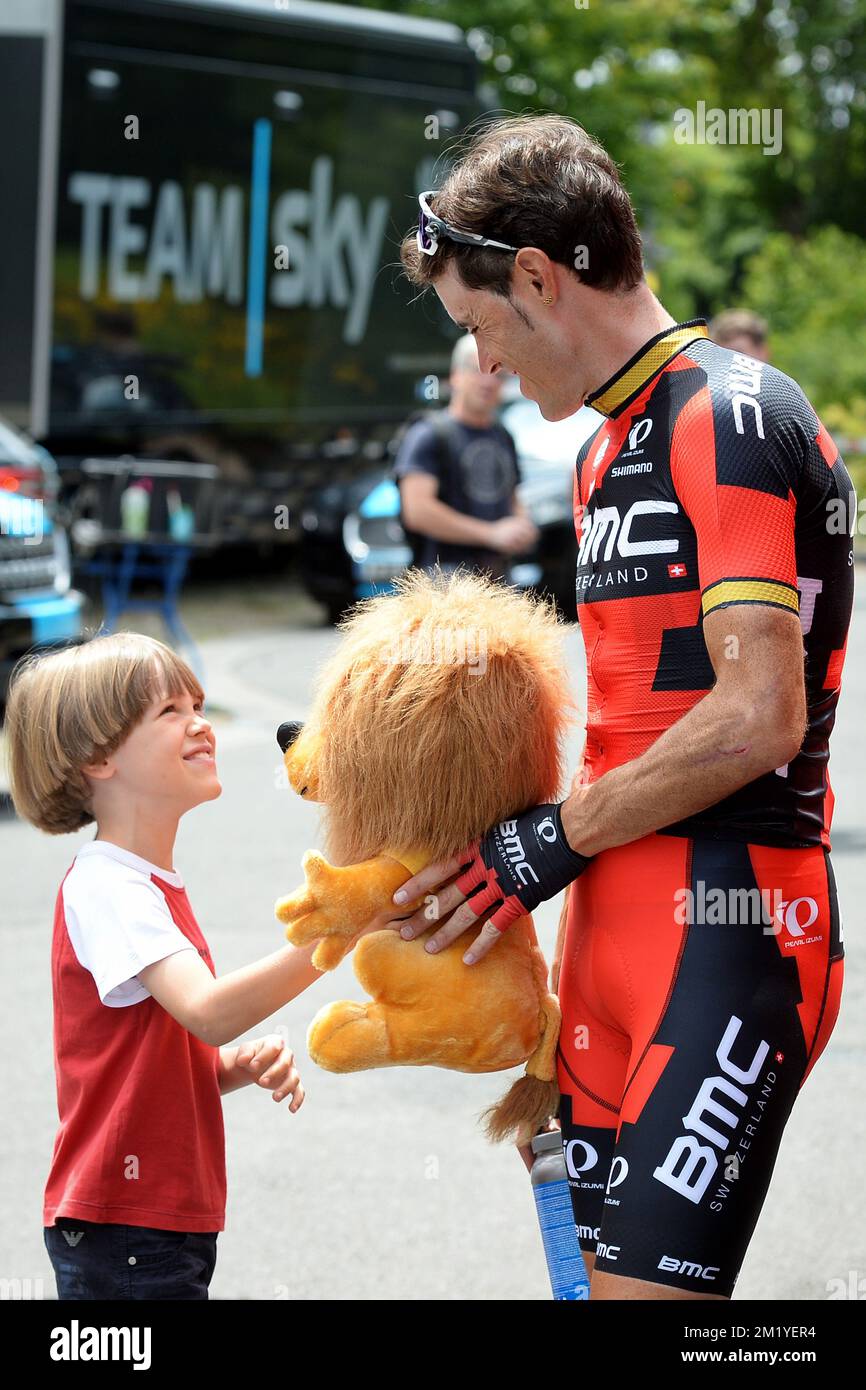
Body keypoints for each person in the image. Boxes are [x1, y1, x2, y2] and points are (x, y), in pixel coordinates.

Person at [385, 114, 854, 1301]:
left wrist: (547, 842)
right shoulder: (603, 451)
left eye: (480, 324)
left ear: (538, 277)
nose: (482, 363)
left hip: (729, 930)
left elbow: (758, 716)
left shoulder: (729, 414)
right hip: (606, 927)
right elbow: (628, 712)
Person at [4, 631, 331, 1300]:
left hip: (147, 1225)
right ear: (97, 757)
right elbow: (208, 1012)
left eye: (199, 705)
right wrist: (339, 934)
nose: (199, 724)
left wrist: (229, 1068)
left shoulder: (141, 884)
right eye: (169, 712)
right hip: (124, 1226)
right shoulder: (111, 888)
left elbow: (145, 1065)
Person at [393, 332, 538, 580]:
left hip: (499, 579)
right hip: (442, 581)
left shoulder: (502, 435)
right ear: (456, 376)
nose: (489, 382)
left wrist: (523, 527)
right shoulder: (428, 433)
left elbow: (511, 498)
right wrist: (490, 533)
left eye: (498, 373)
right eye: (477, 369)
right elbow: (417, 510)